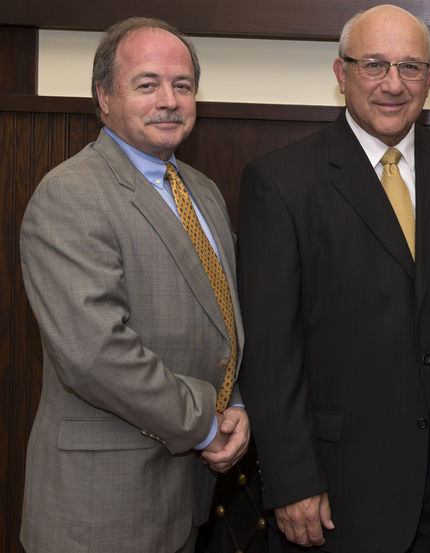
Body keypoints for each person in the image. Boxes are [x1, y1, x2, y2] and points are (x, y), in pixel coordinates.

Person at [236, 4, 430, 552]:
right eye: (373, 64)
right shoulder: (281, 182)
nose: (392, 84)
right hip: (335, 486)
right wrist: (293, 481)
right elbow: (270, 350)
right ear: (341, 74)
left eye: (410, 67)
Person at [18, 17, 249, 553]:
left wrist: (234, 401)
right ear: (104, 96)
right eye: (147, 84)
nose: (169, 100)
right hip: (100, 509)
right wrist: (208, 423)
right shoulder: (70, 194)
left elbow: (222, 319)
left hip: (182, 496)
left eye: (182, 85)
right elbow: (95, 353)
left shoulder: (203, 191)